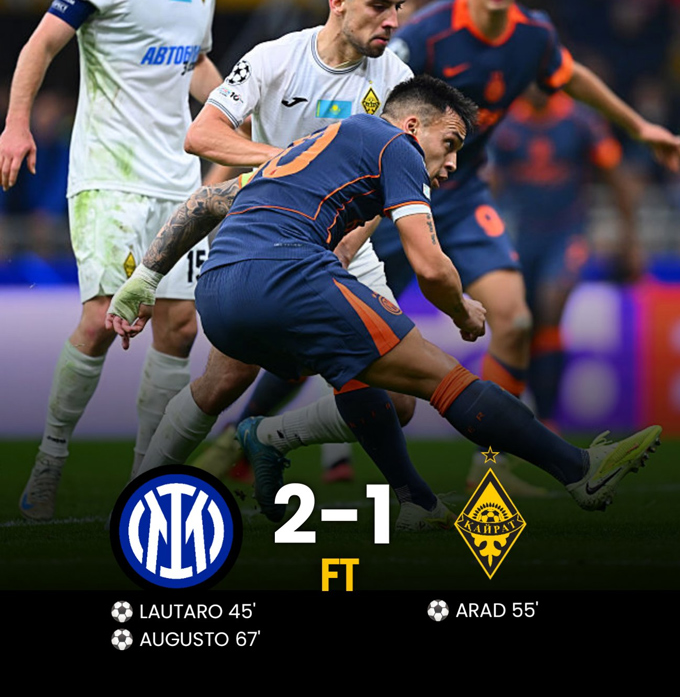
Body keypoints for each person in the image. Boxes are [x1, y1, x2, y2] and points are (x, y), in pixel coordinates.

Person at [107, 76, 662, 524]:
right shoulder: (397, 145)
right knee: (443, 379)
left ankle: (150, 491)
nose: (451, 164)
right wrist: (462, 310)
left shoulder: (312, 146)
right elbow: (429, 266)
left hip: (219, 291)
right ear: (414, 125)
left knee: (360, 375)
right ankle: (581, 469)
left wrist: (143, 281)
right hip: (287, 273)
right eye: (449, 145)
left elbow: (207, 201)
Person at [369, 0, 680, 491]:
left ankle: (489, 469)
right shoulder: (430, 32)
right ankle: (251, 436)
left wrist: (639, 127)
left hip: (465, 196)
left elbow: (574, 77)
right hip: (396, 195)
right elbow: (371, 96)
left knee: (515, 320)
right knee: (352, 349)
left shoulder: (534, 36)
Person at [146, 0, 422, 498]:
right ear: (338, 2)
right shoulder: (275, 58)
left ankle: (267, 435)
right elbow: (203, 134)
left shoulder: (396, 77)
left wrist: (349, 242)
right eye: (380, 6)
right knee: (225, 380)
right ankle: (145, 480)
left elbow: (387, 178)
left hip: (349, 246)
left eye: (398, 7)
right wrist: (288, 162)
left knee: (400, 400)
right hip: (268, 241)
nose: (393, 20)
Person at [0, 0, 226, 521]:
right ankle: (50, 459)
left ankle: (147, 475)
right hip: (110, 175)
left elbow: (193, 62)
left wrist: (238, 111)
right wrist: (16, 125)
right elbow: (40, 46)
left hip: (178, 180)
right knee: (103, 318)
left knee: (179, 326)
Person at [488, 86, 642, 428]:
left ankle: (547, 419)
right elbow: (491, 184)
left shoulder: (581, 121)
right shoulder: (508, 125)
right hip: (521, 235)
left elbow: (617, 178)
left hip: (567, 234)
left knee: (550, 304)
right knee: (520, 323)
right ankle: (518, 417)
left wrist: (630, 240)